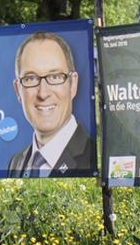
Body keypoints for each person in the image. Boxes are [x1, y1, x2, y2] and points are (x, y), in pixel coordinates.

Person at [6, 31, 95, 177]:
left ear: (73, 84)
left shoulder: (95, 158)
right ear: (18, 90)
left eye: (55, 76)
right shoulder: (16, 163)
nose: (43, 93)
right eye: (31, 78)